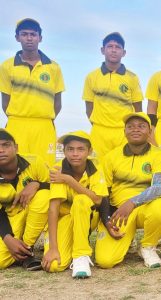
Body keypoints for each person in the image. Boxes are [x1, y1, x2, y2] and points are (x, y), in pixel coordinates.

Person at [95, 112, 161, 269]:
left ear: (149, 132)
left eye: (141, 126)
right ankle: (127, 240)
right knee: (105, 261)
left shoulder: (159, 154)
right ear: (124, 132)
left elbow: (159, 188)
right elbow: (103, 193)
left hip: (144, 208)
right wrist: (107, 220)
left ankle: (148, 247)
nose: (135, 129)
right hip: (119, 213)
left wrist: (132, 202)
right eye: (130, 126)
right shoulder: (111, 157)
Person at [41, 131, 109, 278]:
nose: (75, 154)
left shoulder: (96, 168)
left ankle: (80, 256)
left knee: (81, 200)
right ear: (64, 151)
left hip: (88, 218)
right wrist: (53, 248)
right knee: (54, 265)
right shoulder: (58, 169)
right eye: (70, 149)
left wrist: (68, 180)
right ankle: (72, 246)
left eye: (80, 149)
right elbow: (54, 209)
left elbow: (98, 200)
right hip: (66, 219)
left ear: (89, 151)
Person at [0, 18, 65, 166]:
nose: (29, 38)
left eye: (33, 34)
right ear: (17, 38)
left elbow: (57, 103)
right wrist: (20, 117)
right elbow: (5, 102)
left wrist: (43, 118)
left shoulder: (54, 67)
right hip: (17, 123)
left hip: (44, 125)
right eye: (24, 34)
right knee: (15, 167)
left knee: (45, 167)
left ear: (40, 38)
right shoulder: (7, 66)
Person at [83, 32, 143, 159]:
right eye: (110, 46)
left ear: (124, 52)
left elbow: (138, 109)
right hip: (99, 132)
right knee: (97, 170)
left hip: (123, 132)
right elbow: (89, 107)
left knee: (123, 170)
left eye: (118, 47)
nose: (114, 50)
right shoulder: (92, 76)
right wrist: (99, 124)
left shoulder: (132, 77)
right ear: (102, 50)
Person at [0, 129, 49, 270]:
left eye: (6, 145)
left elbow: (55, 186)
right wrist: (7, 238)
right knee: (1, 261)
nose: (1, 150)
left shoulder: (34, 161)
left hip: (32, 212)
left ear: (16, 147)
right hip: (8, 219)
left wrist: (37, 184)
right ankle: (19, 249)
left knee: (44, 196)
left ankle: (27, 249)